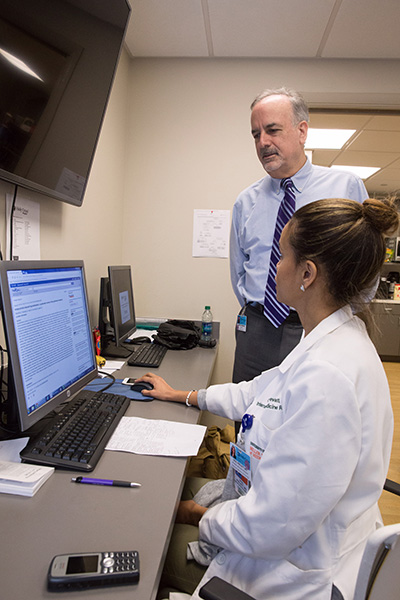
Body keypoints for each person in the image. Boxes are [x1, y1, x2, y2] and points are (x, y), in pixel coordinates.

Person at [137, 196, 398, 600]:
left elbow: (269, 526)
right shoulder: (330, 338)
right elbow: (260, 393)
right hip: (286, 532)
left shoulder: (329, 376)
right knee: (173, 492)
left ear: (307, 273)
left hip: (287, 574)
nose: (275, 265)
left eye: (282, 255)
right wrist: (184, 395)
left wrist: (195, 516)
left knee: (144, 548)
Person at [231, 87, 369, 387]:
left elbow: (365, 265)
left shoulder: (344, 188)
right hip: (257, 329)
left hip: (318, 328)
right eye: (256, 134)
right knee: (249, 418)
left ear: (302, 131)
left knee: (307, 423)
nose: (263, 142)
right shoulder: (246, 201)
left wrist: (339, 319)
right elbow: (238, 272)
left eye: (273, 130)